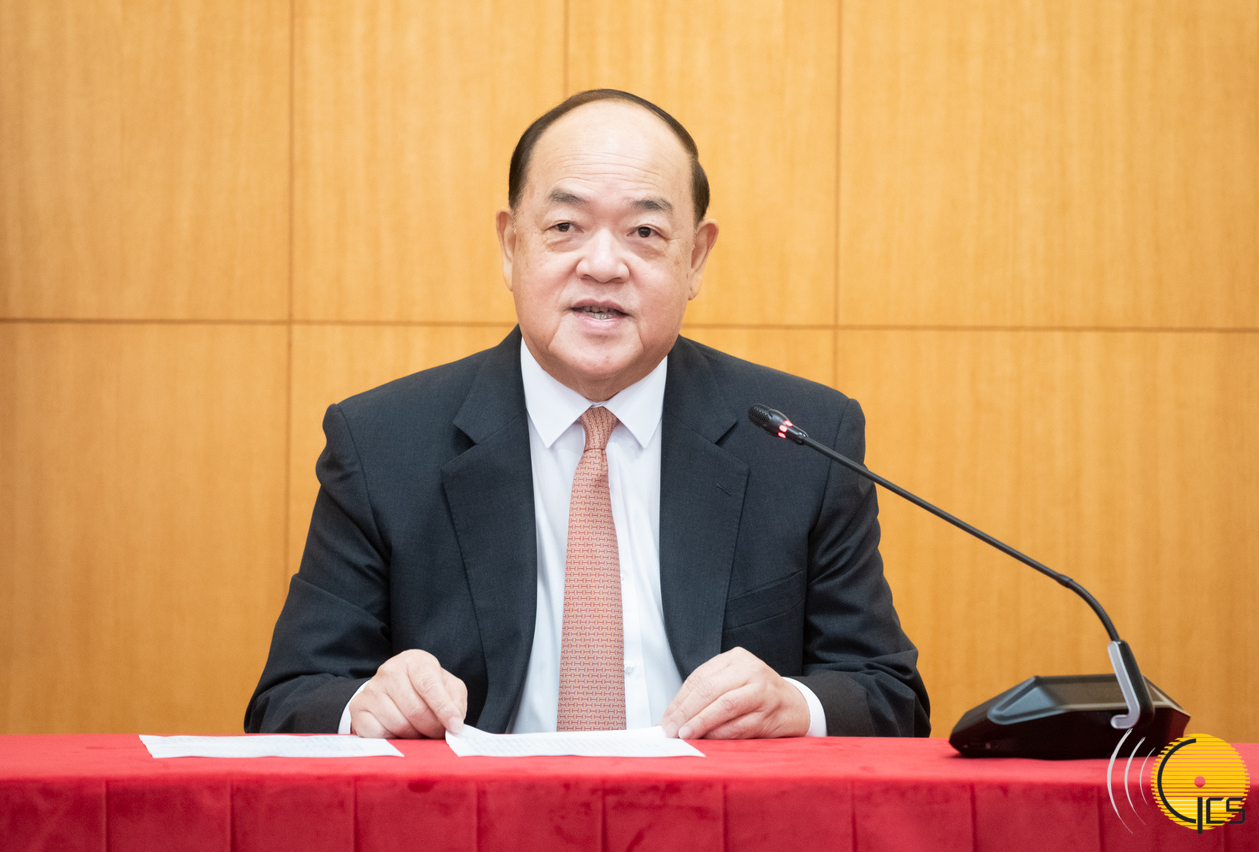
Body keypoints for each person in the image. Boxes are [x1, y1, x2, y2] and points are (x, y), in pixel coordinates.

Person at [246, 89, 928, 740]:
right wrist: (366, 704)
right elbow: (291, 697)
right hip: (483, 810)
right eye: (565, 227)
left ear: (695, 258)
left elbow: (889, 693)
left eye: (645, 231)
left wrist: (795, 705)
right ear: (511, 245)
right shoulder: (383, 445)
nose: (603, 265)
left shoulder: (801, 443)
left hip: (714, 808)